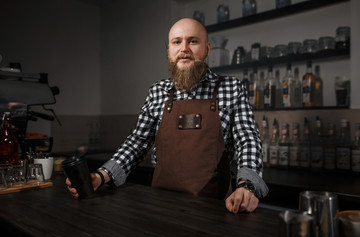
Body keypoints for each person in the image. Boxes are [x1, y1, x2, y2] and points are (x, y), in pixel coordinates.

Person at [66, 18, 268, 213]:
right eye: (177, 42)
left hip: (215, 209)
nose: (184, 48)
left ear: (207, 49)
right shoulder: (158, 91)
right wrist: (101, 176)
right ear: (169, 52)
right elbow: (137, 142)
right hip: (161, 208)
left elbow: (248, 139)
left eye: (193, 41)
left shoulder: (231, 88)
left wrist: (246, 187)